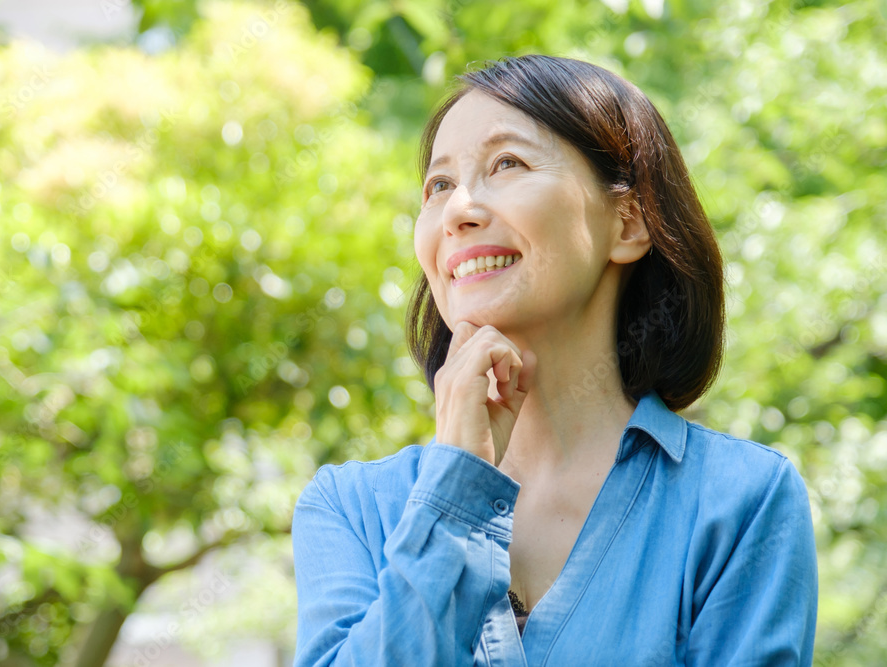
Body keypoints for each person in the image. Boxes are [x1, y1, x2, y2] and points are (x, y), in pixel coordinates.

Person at [291, 54, 818, 666]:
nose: (458, 209)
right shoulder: (350, 508)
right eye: (438, 185)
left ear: (628, 222)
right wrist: (455, 487)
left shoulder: (742, 503)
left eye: (507, 163)